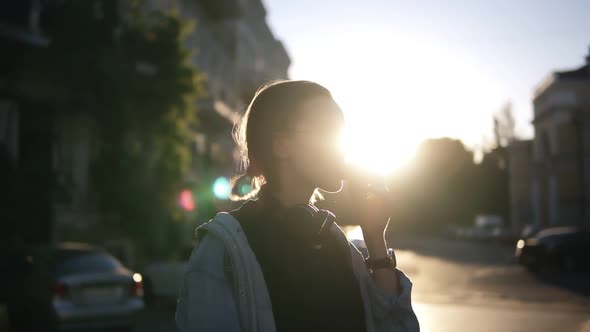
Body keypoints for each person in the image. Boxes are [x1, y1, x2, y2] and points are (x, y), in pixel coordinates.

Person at [176, 80, 419, 332]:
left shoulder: (338, 245)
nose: (342, 148)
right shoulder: (224, 248)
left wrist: (375, 238)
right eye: (328, 131)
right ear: (282, 145)